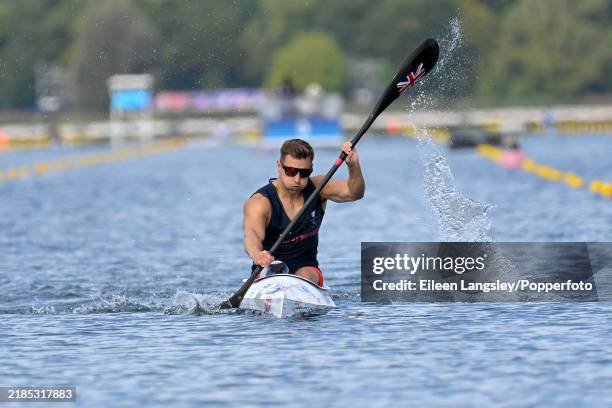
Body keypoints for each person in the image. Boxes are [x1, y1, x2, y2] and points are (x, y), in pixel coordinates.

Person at [243, 138, 365, 286]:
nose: (297, 179)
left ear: (311, 169)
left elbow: (354, 193)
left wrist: (353, 165)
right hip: (270, 271)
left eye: (304, 172)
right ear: (279, 166)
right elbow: (252, 235)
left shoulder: (319, 188)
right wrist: (257, 254)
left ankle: (298, 292)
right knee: (277, 271)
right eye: (291, 171)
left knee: (305, 274)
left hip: (308, 271)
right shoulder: (260, 202)